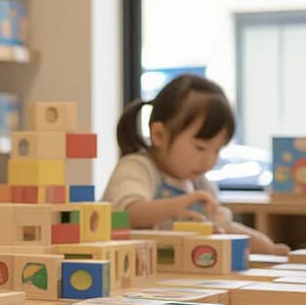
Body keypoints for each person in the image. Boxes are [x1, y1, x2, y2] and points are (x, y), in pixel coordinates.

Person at [102, 74, 289, 255]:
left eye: (217, 150)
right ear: (159, 135)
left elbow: (223, 227)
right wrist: (180, 204)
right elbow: (126, 214)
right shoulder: (137, 167)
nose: (209, 160)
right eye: (200, 148)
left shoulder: (199, 183)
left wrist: (267, 248)